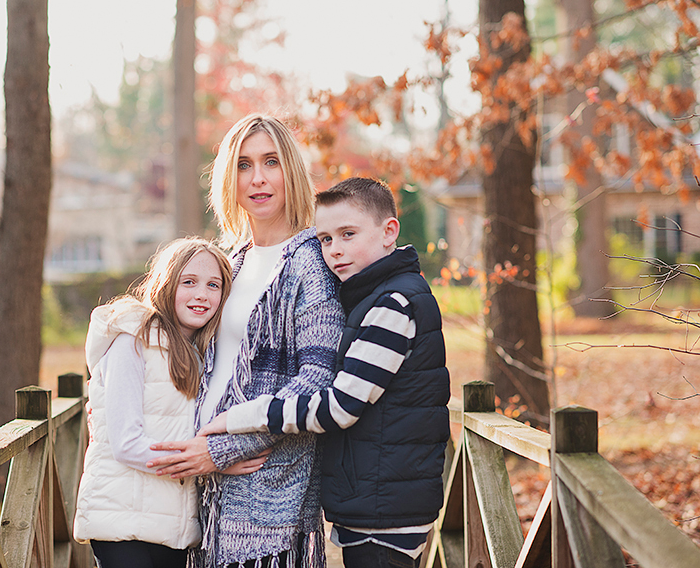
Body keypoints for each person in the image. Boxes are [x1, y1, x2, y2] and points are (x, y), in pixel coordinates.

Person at [198, 177, 451, 568]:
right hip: (375, 501)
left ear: (389, 232)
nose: (335, 251)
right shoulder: (375, 297)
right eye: (326, 239)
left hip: (386, 509)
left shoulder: (393, 304)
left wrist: (240, 417)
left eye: (348, 234)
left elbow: (339, 407)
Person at [146, 114, 345, 568]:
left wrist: (221, 450)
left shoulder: (310, 265)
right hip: (205, 490)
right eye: (243, 164)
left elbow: (316, 383)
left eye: (270, 162)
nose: (257, 178)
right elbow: (185, 351)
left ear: (290, 171)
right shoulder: (230, 261)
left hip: (267, 495)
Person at [73, 237, 266, 568]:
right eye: (188, 282)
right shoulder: (132, 342)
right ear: (165, 283)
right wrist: (211, 460)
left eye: (213, 285)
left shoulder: (204, 356)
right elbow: (126, 445)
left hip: (172, 525)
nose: (201, 294)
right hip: (122, 522)